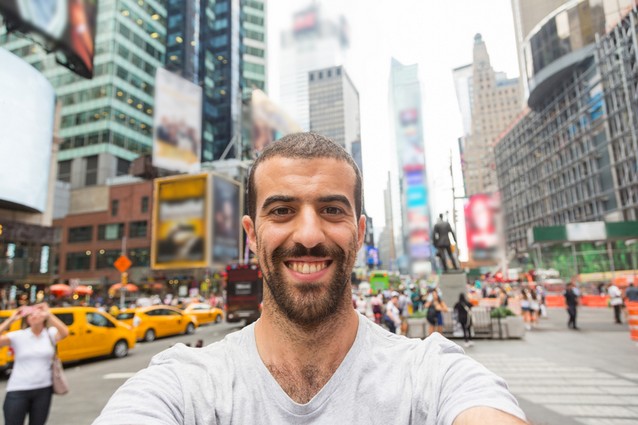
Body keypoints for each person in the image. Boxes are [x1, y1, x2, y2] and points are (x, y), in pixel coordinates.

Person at [94, 132, 527, 424]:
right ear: (251, 234)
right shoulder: (184, 384)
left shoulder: (430, 374)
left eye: (331, 210)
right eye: (282, 211)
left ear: (359, 235)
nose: (307, 235)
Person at [0, 303, 69, 425]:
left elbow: (65, 332)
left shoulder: (49, 334)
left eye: (37, 313)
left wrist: (49, 314)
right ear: (27, 319)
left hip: (43, 389)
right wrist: (11, 319)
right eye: (31, 314)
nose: (34, 316)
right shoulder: (18, 336)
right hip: (18, 390)